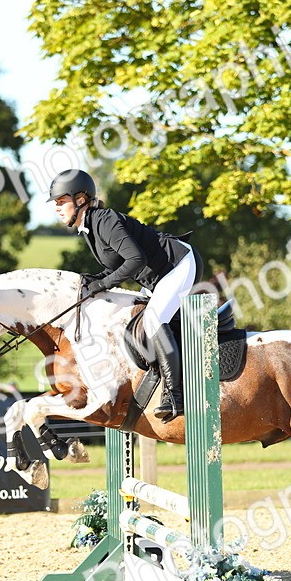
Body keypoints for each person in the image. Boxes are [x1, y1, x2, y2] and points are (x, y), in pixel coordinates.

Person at [48, 169, 202, 422]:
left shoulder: (104, 220)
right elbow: (116, 263)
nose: (58, 207)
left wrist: (105, 283)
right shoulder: (89, 227)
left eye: (61, 201)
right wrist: (98, 278)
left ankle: (175, 395)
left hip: (179, 264)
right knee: (137, 320)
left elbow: (135, 258)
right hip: (156, 277)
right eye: (56, 203)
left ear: (81, 199)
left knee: (153, 320)